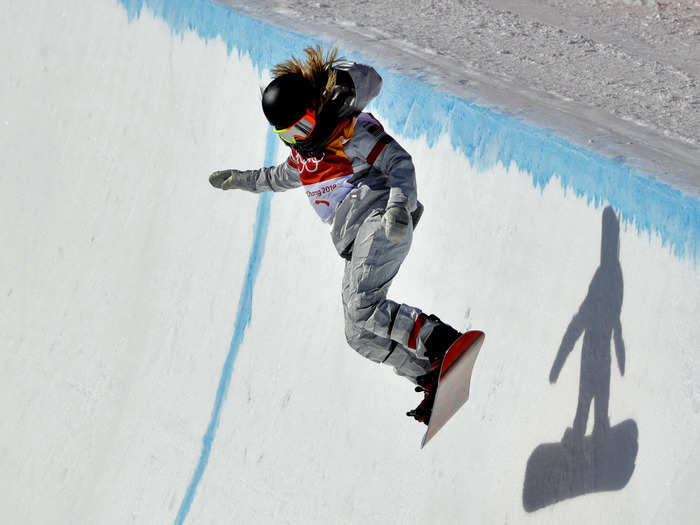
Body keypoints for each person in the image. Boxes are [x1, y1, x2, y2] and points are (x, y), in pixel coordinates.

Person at [209, 46, 463, 424]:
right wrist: (240, 181)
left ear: (316, 108)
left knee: (363, 306)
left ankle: (441, 340)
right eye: (289, 134)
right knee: (357, 333)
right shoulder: (304, 158)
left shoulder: (350, 131)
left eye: (305, 126)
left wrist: (398, 206)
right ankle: (429, 375)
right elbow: (276, 178)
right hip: (357, 239)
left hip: (381, 220)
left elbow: (399, 162)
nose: (301, 138)